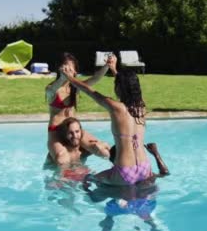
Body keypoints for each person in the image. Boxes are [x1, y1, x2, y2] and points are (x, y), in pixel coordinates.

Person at [65, 58, 152, 187]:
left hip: (125, 171)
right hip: (145, 168)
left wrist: (70, 78)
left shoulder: (116, 107)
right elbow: (127, 85)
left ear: (118, 87)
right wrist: (114, 70)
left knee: (88, 179)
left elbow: (88, 90)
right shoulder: (141, 107)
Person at [45, 52, 114, 164]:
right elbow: (50, 91)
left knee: (102, 150)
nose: (68, 72)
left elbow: (95, 78)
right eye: (66, 69)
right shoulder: (51, 88)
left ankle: (119, 173)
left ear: (75, 71)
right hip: (56, 132)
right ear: (60, 69)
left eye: (71, 69)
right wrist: (63, 78)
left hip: (74, 131)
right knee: (62, 159)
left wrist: (107, 66)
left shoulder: (76, 88)